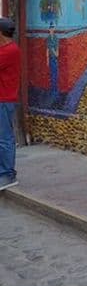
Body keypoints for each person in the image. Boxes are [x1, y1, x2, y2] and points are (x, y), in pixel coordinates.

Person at [0, 18, 21, 191]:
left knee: (5, 138)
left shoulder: (9, 50)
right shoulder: (6, 49)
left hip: (4, 99)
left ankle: (8, 174)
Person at [46, 22, 58, 97]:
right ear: (49, 29)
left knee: (55, 74)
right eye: (51, 28)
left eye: (53, 28)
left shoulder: (56, 38)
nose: (52, 29)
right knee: (52, 74)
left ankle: (55, 90)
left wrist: (57, 53)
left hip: (55, 58)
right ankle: (53, 90)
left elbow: (57, 47)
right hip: (51, 57)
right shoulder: (48, 39)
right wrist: (47, 59)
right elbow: (47, 49)